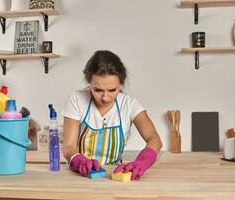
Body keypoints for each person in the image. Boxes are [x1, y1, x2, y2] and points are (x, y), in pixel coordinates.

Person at [62, 50, 162, 180]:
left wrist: (141, 162)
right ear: (89, 83)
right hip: (80, 175)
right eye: (97, 90)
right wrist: (79, 161)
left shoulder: (129, 104)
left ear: (121, 85)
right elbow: (68, 147)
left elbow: (154, 139)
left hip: (113, 176)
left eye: (112, 90)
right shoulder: (77, 99)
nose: (105, 97)